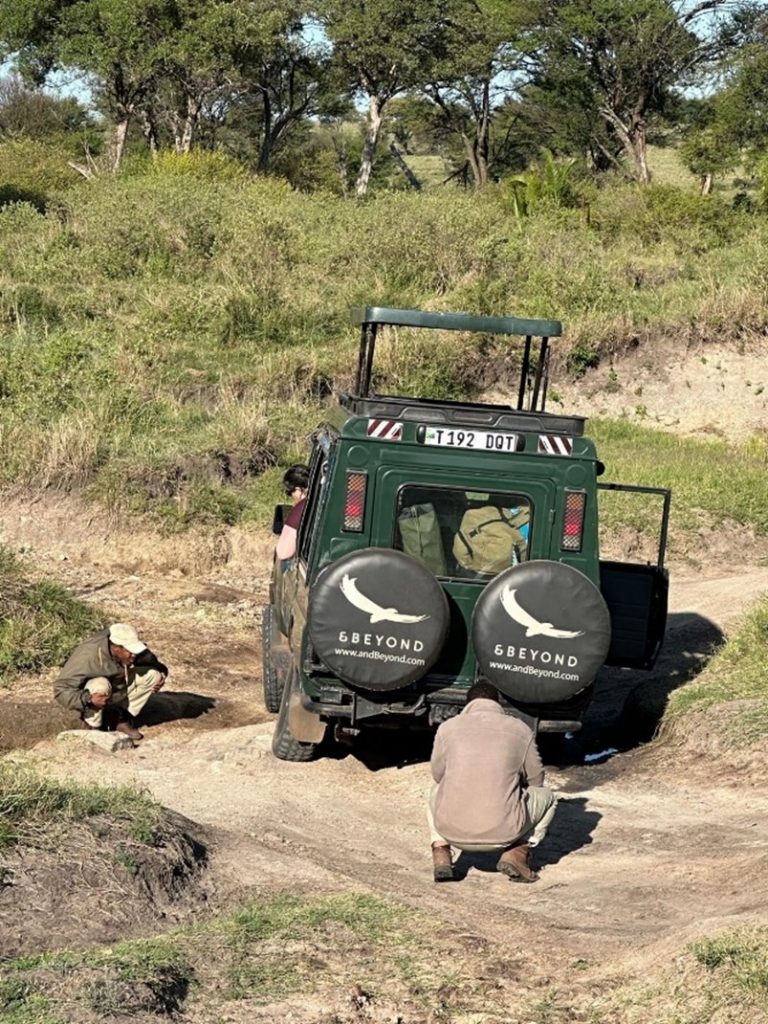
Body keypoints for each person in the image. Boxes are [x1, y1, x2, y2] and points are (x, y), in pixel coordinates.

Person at [427, 681, 557, 883]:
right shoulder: (520, 729)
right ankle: (517, 853)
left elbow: (437, 775)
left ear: (468, 703)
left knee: (435, 790)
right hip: (505, 831)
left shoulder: (447, 728)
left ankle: (441, 852)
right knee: (549, 798)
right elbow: (537, 780)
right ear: (498, 704)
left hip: (450, 829)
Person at [53, 623, 168, 743]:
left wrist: (162, 672)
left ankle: (118, 718)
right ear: (116, 648)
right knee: (100, 685)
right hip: (93, 693)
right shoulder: (87, 657)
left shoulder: (123, 640)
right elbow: (60, 690)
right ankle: (93, 726)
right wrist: (88, 699)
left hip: (117, 685)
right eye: (131, 651)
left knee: (153, 675)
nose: (134, 655)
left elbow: (145, 656)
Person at [275, 464, 309, 561]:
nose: (291, 496)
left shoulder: (301, 508)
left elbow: (283, 553)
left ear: (299, 490)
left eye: (290, 492)